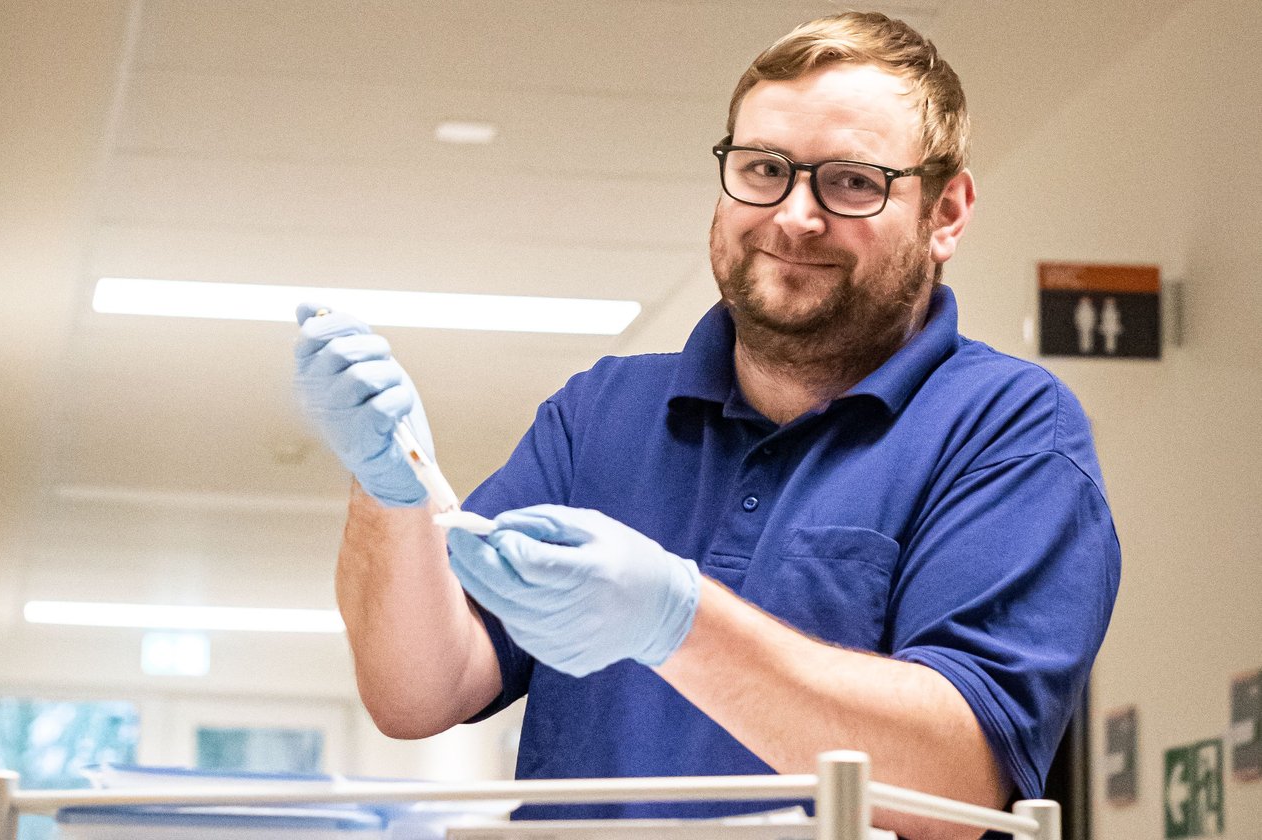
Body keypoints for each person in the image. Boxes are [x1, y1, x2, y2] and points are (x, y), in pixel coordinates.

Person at [293, 12, 1120, 840]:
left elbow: (958, 780)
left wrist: (679, 620)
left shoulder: (1008, 431)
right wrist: (389, 493)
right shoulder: (602, 410)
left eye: (851, 182)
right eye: (764, 169)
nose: (794, 216)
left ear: (947, 213)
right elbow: (417, 694)